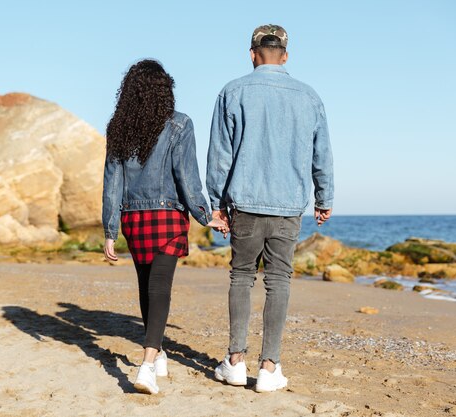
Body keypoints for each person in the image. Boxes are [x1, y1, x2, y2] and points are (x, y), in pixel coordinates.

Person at [207, 24, 334, 393]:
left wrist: (217, 204)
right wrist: (324, 198)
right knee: (278, 280)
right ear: (286, 55)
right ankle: (269, 366)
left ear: (252, 53)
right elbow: (321, 154)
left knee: (241, 277)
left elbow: (220, 156)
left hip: (243, 202)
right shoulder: (309, 96)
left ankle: (234, 361)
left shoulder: (233, 91)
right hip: (287, 204)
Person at [102, 59, 226, 395]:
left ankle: (159, 356)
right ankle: (147, 364)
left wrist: (110, 230)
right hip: (167, 217)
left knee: (147, 287)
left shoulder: (118, 128)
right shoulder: (179, 124)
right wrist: (206, 215)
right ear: (165, 90)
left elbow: (112, 183)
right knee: (159, 288)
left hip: (134, 219)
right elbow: (186, 177)